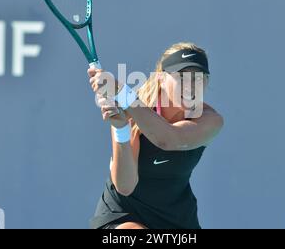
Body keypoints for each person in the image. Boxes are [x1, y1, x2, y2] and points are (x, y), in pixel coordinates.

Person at [88, 43, 224, 229]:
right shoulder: (131, 114)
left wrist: (122, 92)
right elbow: (125, 186)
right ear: (161, 79)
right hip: (123, 216)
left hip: (177, 221)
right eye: (182, 77)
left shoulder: (211, 120)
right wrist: (120, 127)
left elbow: (168, 139)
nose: (191, 86)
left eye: (199, 78)